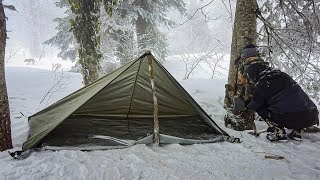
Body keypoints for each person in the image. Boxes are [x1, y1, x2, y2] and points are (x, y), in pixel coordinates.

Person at [245, 63, 319, 141]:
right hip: (312, 115)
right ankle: (297, 130)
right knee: (291, 102)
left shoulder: (263, 83)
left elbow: (254, 104)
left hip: (292, 118)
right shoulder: (284, 76)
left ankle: (279, 131)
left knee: (261, 108)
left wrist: (246, 103)